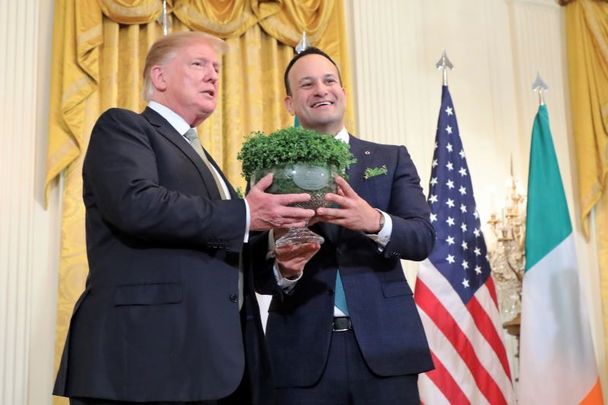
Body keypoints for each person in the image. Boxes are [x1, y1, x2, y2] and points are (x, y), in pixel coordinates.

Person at [53, 31, 315, 405]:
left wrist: (281, 264)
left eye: (216, 68)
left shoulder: (206, 162)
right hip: (146, 358)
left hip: (218, 364)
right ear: (159, 77)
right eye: (199, 64)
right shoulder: (124, 128)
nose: (213, 76)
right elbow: (136, 205)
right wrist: (244, 212)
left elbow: (217, 253)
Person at [254, 47, 436, 404]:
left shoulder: (390, 157)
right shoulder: (269, 168)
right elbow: (255, 272)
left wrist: (374, 222)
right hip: (300, 358)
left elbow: (422, 238)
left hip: (387, 353)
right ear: (291, 104)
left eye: (329, 80)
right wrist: (285, 270)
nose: (321, 90)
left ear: (343, 92)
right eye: (307, 84)